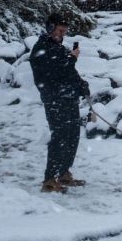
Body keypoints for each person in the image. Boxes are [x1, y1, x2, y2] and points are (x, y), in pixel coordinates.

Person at [29, 12, 90, 193]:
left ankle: (63, 172)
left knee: (72, 135)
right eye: (59, 31)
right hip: (55, 99)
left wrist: (82, 86)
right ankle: (50, 179)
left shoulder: (59, 47)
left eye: (64, 32)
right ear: (50, 28)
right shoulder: (41, 48)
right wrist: (72, 58)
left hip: (68, 97)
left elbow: (69, 73)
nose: (61, 35)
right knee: (60, 137)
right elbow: (55, 71)